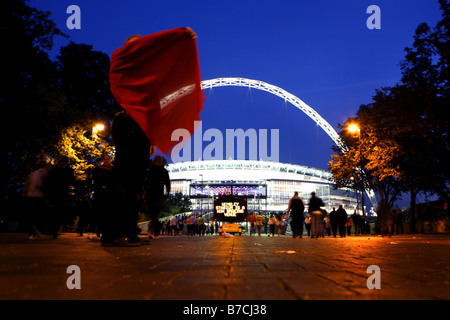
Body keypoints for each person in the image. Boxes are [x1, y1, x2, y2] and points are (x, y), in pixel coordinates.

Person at [107, 110, 151, 246]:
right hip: (127, 165)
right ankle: (112, 236)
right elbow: (122, 139)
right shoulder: (123, 118)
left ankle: (131, 235)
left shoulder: (138, 118)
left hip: (136, 165)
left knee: (132, 200)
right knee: (122, 200)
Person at [45, 157, 75, 239]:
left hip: (57, 194)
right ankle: (56, 228)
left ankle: (54, 228)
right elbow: (72, 181)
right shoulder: (66, 171)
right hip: (60, 194)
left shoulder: (54, 171)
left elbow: (48, 183)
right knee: (58, 212)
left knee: (56, 212)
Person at [144, 155, 170, 239]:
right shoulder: (163, 171)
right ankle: (153, 230)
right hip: (157, 193)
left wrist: (144, 191)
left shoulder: (150, 171)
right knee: (155, 212)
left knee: (153, 212)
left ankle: (152, 230)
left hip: (152, 193)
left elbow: (146, 182)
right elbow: (167, 183)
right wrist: (167, 193)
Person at [22, 165, 50, 239]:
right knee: (38, 214)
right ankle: (38, 231)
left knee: (30, 215)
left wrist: (24, 192)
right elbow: (43, 185)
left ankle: (31, 233)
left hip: (30, 195)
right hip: (39, 196)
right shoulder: (45, 173)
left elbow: (27, 184)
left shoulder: (32, 173)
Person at [90, 154, 114, 240]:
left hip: (108, 194)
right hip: (99, 193)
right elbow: (95, 180)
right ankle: (92, 231)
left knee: (106, 214)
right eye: (105, 159)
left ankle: (104, 232)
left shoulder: (112, 170)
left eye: (108, 159)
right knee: (96, 212)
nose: (106, 160)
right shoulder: (98, 169)